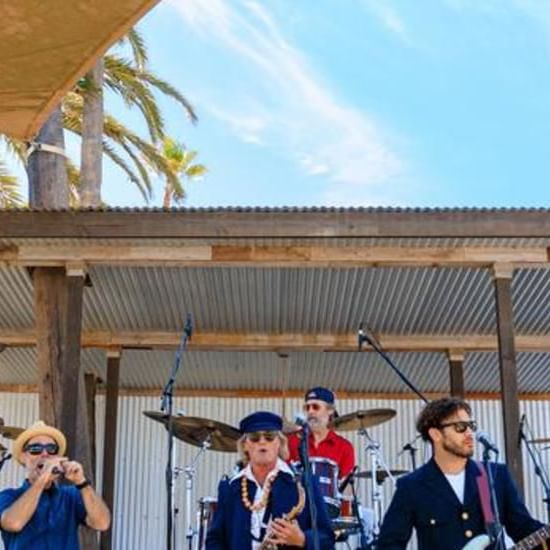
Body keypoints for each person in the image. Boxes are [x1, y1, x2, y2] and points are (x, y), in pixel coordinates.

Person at [377, 397, 544, 550]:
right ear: (435, 434)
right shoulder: (412, 486)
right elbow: (389, 544)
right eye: (460, 427)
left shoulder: (495, 475)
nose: (469, 433)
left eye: (471, 426)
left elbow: (523, 528)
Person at [206, 411, 335, 549]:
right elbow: (215, 540)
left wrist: (302, 539)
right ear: (245, 445)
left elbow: (327, 539)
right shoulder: (230, 488)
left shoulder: (303, 483)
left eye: (269, 437)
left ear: (279, 442)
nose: (262, 442)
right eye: (254, 437)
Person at [0, 420, 111, 549]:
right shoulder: (8, 496)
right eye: (36, 449)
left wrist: (82, 482)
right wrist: (42, 479)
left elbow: (102, 523)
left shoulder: (71, 495)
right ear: (23, 457)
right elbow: (13, 523)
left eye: (51, 449)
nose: (45, 454)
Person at [288, 387, 355, 479]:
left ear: (330, 410)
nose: (310, 411)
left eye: (316, 407)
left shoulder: (344, 447)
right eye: (307, 408)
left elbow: (346, 487)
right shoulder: (292, 440)